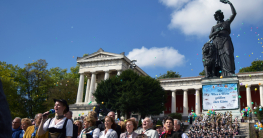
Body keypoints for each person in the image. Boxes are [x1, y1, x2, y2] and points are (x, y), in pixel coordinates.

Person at [208, 0, 237, 77]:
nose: (218, 17)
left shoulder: (226, 22)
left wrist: (230, 3)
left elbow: (234, 14)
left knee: (228, 53)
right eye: (217, 16)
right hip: (216, 42)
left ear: (222, 16)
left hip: (225, 39)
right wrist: (216, 32)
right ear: (215, 18)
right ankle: (218, 74)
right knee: (218, 58)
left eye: (219, 15)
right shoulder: (214, 27)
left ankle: (230, 72)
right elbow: (210, 36)